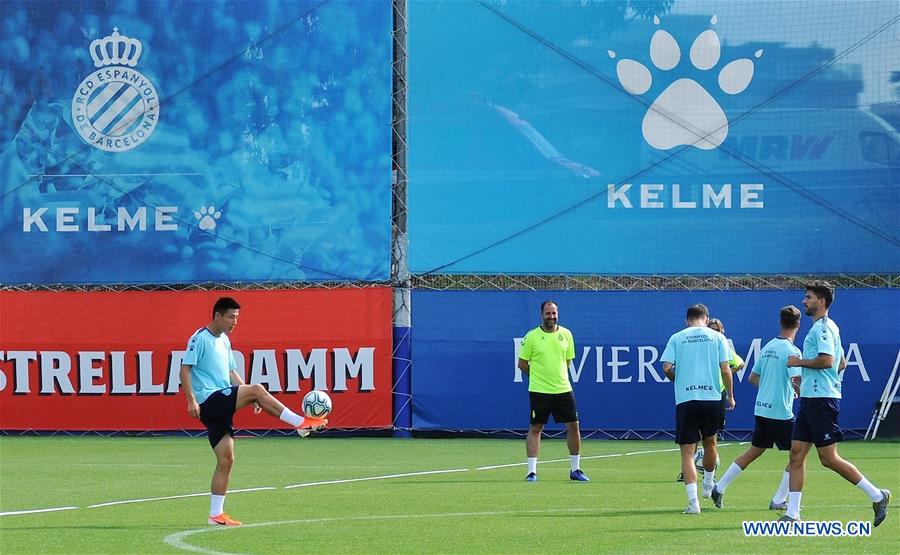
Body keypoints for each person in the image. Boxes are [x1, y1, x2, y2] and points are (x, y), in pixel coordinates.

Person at [180, 297, 328, 526]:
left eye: (237, 318)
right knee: (258, 389)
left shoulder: (225, 341)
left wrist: (247, 394)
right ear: (217, 315)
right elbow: (184, 370)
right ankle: (300, 422)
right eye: (231, 317)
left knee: (226, 460)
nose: (234, 322)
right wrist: (191, 401)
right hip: (208, 400)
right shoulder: (199, 338)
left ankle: (215, 515)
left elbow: (231, 372)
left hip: (221, 401)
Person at [780, 282, 890, 525]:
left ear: (821, 301)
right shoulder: (825, 328)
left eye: (808, 297)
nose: (804, 301)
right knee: (796, 454)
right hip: (811, 398)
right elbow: (840, 364)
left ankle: (877, 495)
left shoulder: (823, 329)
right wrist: (807, 381)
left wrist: (799, 362)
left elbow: (828, 361)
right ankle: (792, 514)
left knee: (828, 458)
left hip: (822, 401)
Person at [710, 306, 803, 510]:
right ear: (798, 324)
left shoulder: (769, 346)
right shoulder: (792, 351)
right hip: (780, 412)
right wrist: (796, 389)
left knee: (755, 451)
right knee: (800, 454)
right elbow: (797, 380)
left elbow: (753, 378)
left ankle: (720, 487)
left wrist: (772, 388)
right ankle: (779, 499)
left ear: (780, 323)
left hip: (762, 409)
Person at [661, 303, 733, 514]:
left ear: (687, 320)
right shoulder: (717, 337)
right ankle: (709, 485)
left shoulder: (677, 337)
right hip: (711, 397)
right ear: (706, 317)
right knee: (711, 443)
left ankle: (694, 504)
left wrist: (678, 378)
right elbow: (726, 370)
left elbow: (666, 367)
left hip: (687, 398)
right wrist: (730, 395)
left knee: (687, 452)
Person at [517, 301, 589, 482]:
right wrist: (539, 378)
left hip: (563, 389)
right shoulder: (532, 336)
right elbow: (522, 364)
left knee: (574, 426)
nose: (551, 317)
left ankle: (575, 469)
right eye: (548, 313)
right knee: (536, 427)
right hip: (539, 390)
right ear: (542, 314)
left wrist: (557, 378)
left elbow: (567, 361)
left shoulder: (566, 334)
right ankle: (531, 472)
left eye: (554, 313)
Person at [676, 317, 744, 482]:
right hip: (698, 393)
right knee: (694, 436)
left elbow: (740, 363)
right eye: (711, 328)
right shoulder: (700, 344)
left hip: (716, 394)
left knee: (710, 438)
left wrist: (723, 377)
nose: (714, 331)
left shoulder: (722, 345)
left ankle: (709, 475)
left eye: (717, 329)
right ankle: (688, 470)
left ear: (722, 331)